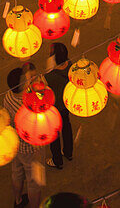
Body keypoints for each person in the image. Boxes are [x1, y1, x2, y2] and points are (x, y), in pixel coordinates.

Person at [3, 65, 43, 208]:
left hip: (15, 143)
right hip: (30, 148)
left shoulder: (8, 96)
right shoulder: (28, 105)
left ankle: (18, 200)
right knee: (34, 183)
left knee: (17, 172)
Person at [45, 42, 73, 170]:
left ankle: (57, 160)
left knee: (54, 134)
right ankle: (68, 153)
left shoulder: (50, 76)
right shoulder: (71, 65)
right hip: (67, 104)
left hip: (54, 108)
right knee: (66, 126)